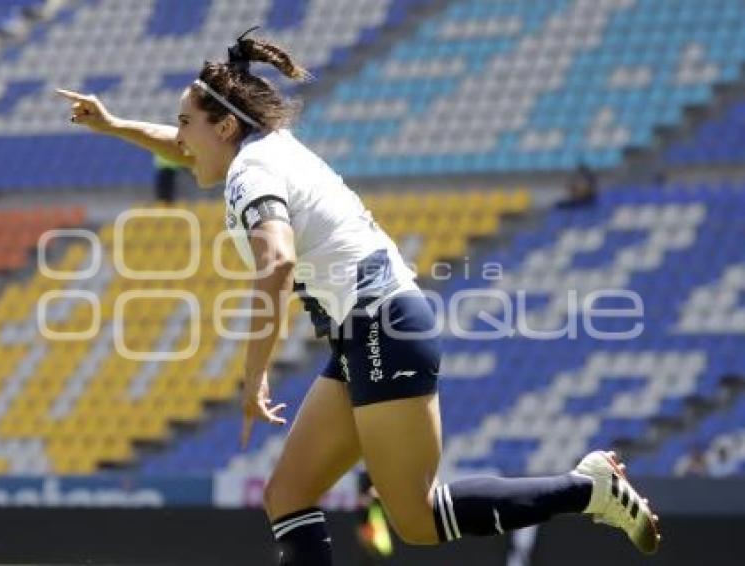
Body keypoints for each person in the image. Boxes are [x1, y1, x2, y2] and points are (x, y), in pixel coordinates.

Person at [57, 28, 661, 565]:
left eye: (187, 123)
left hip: (381, 327)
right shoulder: (263, 151)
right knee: (287, 495)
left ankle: (587, 490)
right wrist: (115, 126)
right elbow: (183, 144)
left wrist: (252, 377)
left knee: (418, 520)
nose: (180, 140)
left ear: (225, 126)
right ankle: (587, 489)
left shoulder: (249, 174)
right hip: (371, 328)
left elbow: (277, 262)